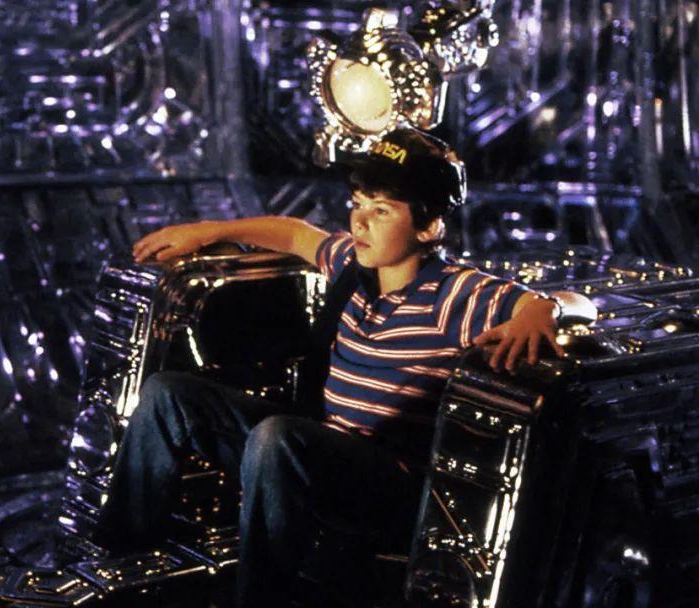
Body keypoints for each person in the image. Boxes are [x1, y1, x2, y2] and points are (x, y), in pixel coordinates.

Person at [92, 129, 591, 607]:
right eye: (357, 203)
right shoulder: (352, 265)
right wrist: (209, 230)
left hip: (387, 488)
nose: (360, 222)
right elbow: (295, 233)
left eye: (382, 210)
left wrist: (543, 310)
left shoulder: (453, 294)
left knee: (276, 437)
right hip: (314, 454)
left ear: (428, 226)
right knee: (168, 394)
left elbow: (574, 304)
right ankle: (120, 558)